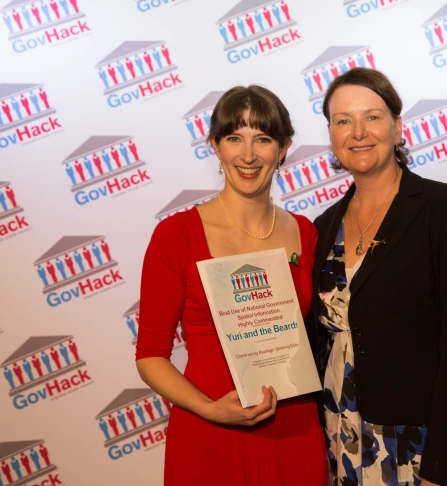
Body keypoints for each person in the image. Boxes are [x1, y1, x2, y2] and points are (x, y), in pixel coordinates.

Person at [308, 68, 447, 486]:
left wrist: (445, 468)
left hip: (423, 444)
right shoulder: (322, 227)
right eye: (343, 121)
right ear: (332, 135)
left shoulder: (445, 210)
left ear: (398, 127)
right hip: (342, 438)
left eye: (372, 117)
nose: (358, 132)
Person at [136, 85, 326, 485]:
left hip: (294, 430)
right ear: (215, 146)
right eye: (234, 138)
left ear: (284, 147)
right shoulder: (177, 235)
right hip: (210, 428)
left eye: (263, 139)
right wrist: (207, 408)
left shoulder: (306, 234)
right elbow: (150, 355)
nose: (248, 154)